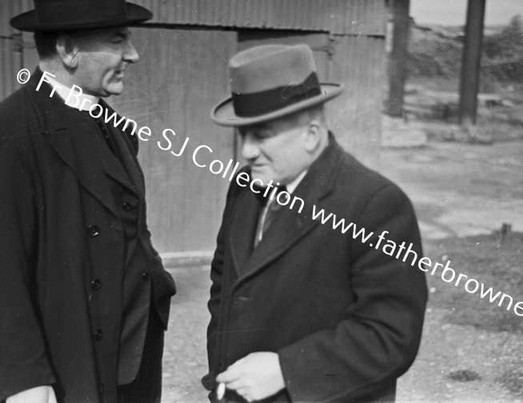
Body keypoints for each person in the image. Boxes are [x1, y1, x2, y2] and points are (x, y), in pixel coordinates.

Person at [202, 44, 428, 402]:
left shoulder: (375, 204)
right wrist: (223, 371)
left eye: (262, 135)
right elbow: (224, 282)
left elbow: (391, 335)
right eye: (241, 135)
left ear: (311, 134)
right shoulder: (246, 186)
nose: (246, 152)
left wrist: (285, 370)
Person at [0, 1, 176, 402]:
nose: (133, 53)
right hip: (71, 356)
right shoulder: (12, 134)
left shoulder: (115, 126)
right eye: (118, 40)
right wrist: (24, 377)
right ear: (68, 50)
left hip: (131, 348)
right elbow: (3, 268)